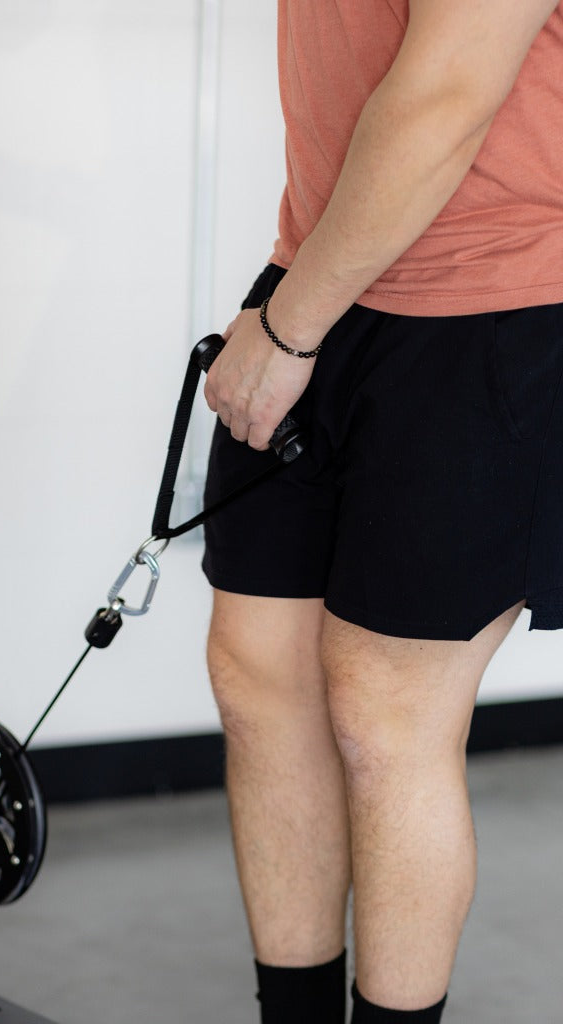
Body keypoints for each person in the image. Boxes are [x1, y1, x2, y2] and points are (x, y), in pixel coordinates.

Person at [200, 2, 563, 1021]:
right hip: (321, 276)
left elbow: (444, 98)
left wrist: (287, 330)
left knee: (386, 711)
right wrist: (292, 309)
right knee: (259, 676)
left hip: (490, 304)